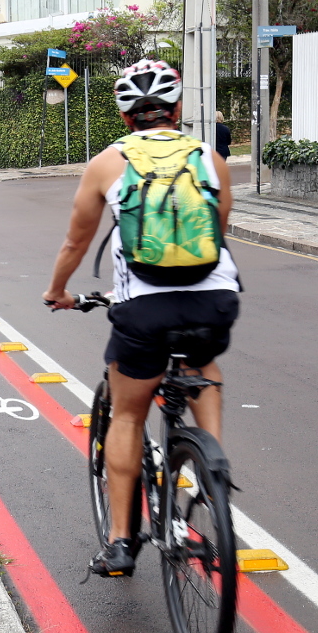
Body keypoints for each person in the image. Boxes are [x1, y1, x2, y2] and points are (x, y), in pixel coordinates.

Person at [42, 59, 241, 578]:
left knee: (127, 415)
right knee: (203, 361)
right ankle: (210, 469)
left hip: (143, 307)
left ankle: (120, 543)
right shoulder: (209, 157)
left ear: (126, 116)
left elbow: (75, 241)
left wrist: (58, 291)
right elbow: (220, 232)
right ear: (177, 110)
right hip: (213, 300)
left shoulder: (108, 163)